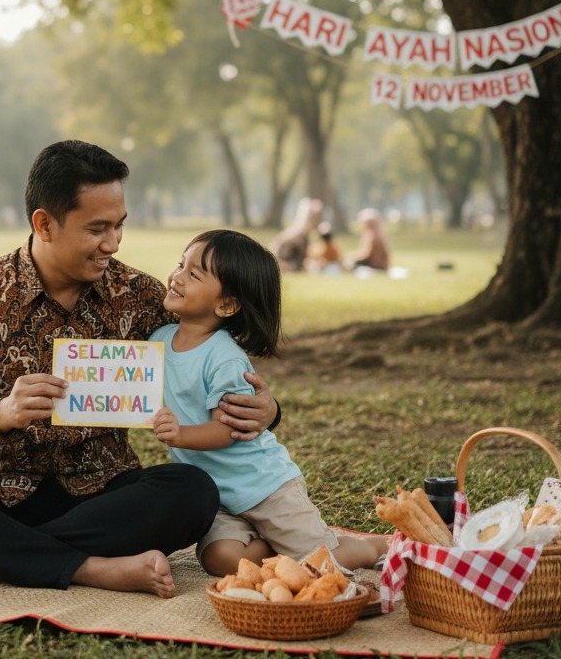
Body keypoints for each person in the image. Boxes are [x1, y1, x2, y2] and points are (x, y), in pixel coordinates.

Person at [0, 140, 280, 599]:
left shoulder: (139, 295)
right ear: (45, 224)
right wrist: (0, 414)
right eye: (98, 228)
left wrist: (267, 410)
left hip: (104, 495)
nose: (113, 244)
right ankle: (90, 568)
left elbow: (207, 362)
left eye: (119, 226)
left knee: (193, 492)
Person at [150, 230, 388, 576]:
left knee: (320, 560)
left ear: (227, 304)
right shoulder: (158, 341)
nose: (177, 277)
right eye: (180, 265)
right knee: (222, 560)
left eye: (194, 274)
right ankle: (281, 542)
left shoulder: (223, 358)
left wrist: (180, 435)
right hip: (218, 496)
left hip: (264, 486)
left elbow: (228, 428)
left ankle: (371, 547)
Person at [269, 197, 323, 272]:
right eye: (314, 218)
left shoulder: (303, 236)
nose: (316, 221)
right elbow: (279, 261)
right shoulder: (294, 237)